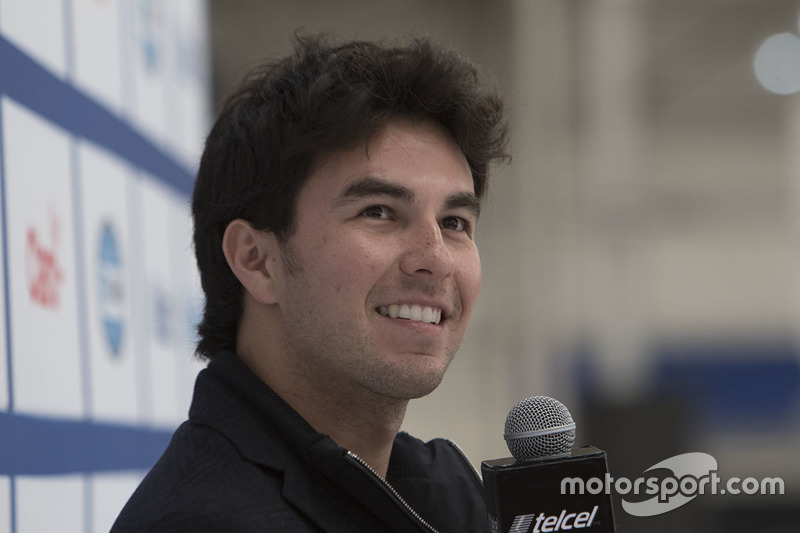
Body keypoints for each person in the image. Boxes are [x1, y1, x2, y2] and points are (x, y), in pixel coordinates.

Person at [112, 33, 508, 532]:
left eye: (454, 222)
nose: (435, 259)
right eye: (379, 212)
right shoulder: (205, 521)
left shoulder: (446, 496)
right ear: (256, 260)